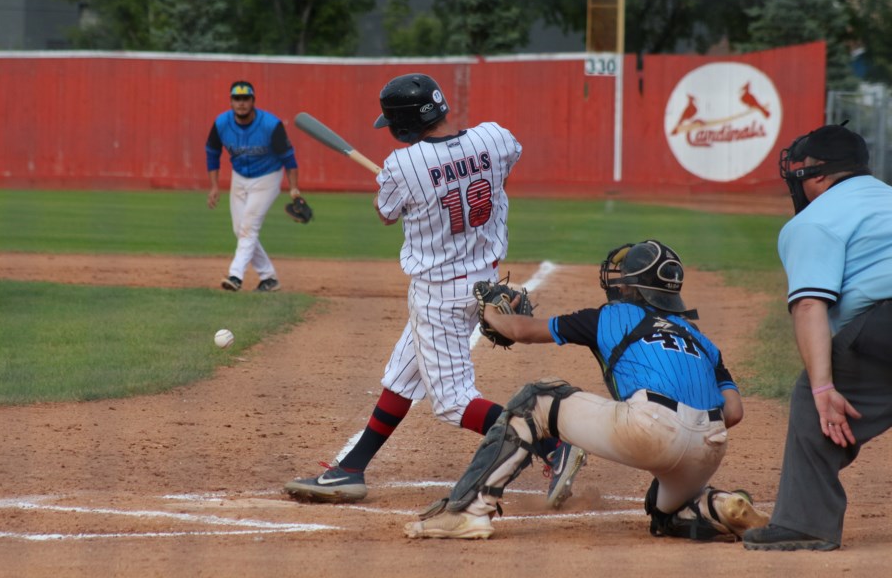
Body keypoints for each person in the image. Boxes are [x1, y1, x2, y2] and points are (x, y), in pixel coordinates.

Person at [283, 73, 585, 507]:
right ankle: (350, 469)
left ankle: (551, 445)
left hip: (438, 291)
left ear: (403, 124)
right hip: (486, 284)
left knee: (451, 402)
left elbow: (386, 213)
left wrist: (410, 183)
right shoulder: (495, 138)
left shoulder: (401, 166)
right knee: (402, 374)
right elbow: (495, 164)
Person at [404, 240, 770, 541]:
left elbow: (524, 331)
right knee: (665, 513)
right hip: (709, 447)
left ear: (634, 287)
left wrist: (490, 314)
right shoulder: (701, 339)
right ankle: (718, 504)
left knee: (536, 399)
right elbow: (733, 411)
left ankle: (469, 511)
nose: (619, 283)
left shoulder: (611, 316)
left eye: (625, 279)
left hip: (650, 427)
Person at [743, 124, 892, 552]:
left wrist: (824, 386)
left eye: (802, 171)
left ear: (819, 174)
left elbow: (810, 306)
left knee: (813, 398)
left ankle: (806, 523)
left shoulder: (815, 221)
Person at [206, 80, 302, 293]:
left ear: (253, 101)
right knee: (239, 229)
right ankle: (268, 278)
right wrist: (214, 186)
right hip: (239, 177)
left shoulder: (270, 124)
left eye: (245, 99)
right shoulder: (221, 123)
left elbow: (289, 159)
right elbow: (212, 153)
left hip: (268, 177)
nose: (241, 103)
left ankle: (235, 276)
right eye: (237, 99)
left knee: (249, 226)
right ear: (231, 101)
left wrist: (294, 189)